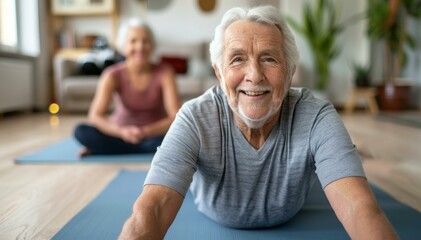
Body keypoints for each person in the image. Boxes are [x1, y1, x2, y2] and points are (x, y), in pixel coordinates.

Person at [119, 6, 398, 239]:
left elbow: (361, 208)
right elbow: (150, 210)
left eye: (269, 59)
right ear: (219, 71)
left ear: (289, 73)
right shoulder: (194, 117)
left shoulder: (316, 115)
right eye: (237, 59)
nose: (254, 75)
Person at [73, 18, 180, 156]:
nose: (140, 47)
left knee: (180, 137)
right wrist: (122, 132)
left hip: (155, 136)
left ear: (152, 46)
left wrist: (145, 132)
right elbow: (95, 116)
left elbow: (176, 117)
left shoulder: (165, 72)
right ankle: (136, 149)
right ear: (123, 47)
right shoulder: (112, 74)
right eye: (133, 41)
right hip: (119, 134)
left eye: (145, 41)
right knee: (81, 131)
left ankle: (109, 149)